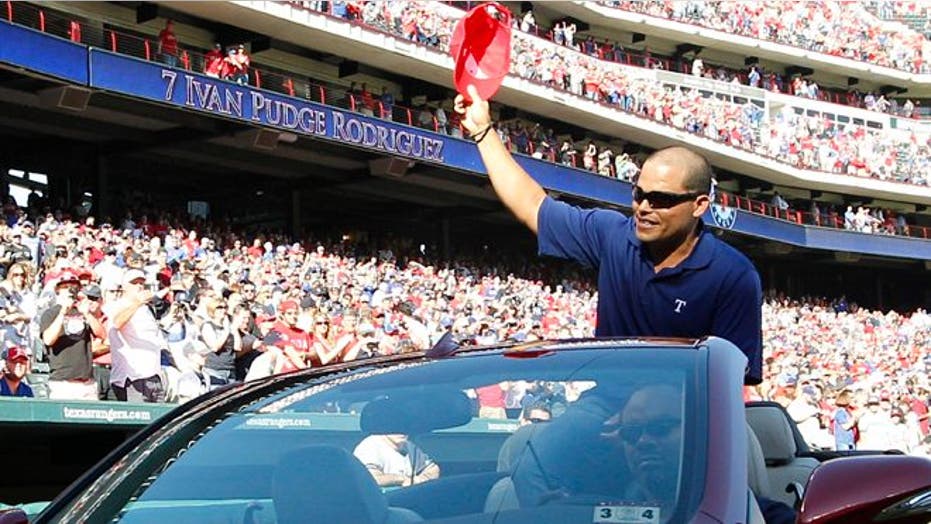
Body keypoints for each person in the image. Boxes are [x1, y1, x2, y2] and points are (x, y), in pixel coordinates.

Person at [454, 85, 763, 385]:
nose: (643, 207)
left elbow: (732, 377)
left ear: (699, 205)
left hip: (690, 417)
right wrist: (483, 132)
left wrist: (661, 408)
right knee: (532, 440)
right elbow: (533, 205)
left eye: (661, 200)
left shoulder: (733, 275)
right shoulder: (612, 235)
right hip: (607, 407)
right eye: (639, 194)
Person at [104, 269, 167, 402]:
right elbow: (117, 323)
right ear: (124, 286)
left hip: (153, 373)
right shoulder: (117, 305)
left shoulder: (147, 308)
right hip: (133, 376)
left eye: (141, 283)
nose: (139, 286)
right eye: (134, 283)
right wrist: (137, 303)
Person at [40, 272, 104, 400]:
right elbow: (48, 340)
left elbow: (101, 334)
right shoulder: (50, 314)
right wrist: (63, 312)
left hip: (87, 382)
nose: (70, 290)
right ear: (58, 290)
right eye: (65, 287)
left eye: (73, 286)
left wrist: (87, 314)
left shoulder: (84, 311)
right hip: (62, 381)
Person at [353, 433, 440, 487]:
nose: (401, 431)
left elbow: (433, 469)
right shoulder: (370, 446)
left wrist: (419, 480)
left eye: (404, 426)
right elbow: (372, 479)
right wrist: (402, 479)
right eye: (395, 427)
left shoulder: (410, 446)